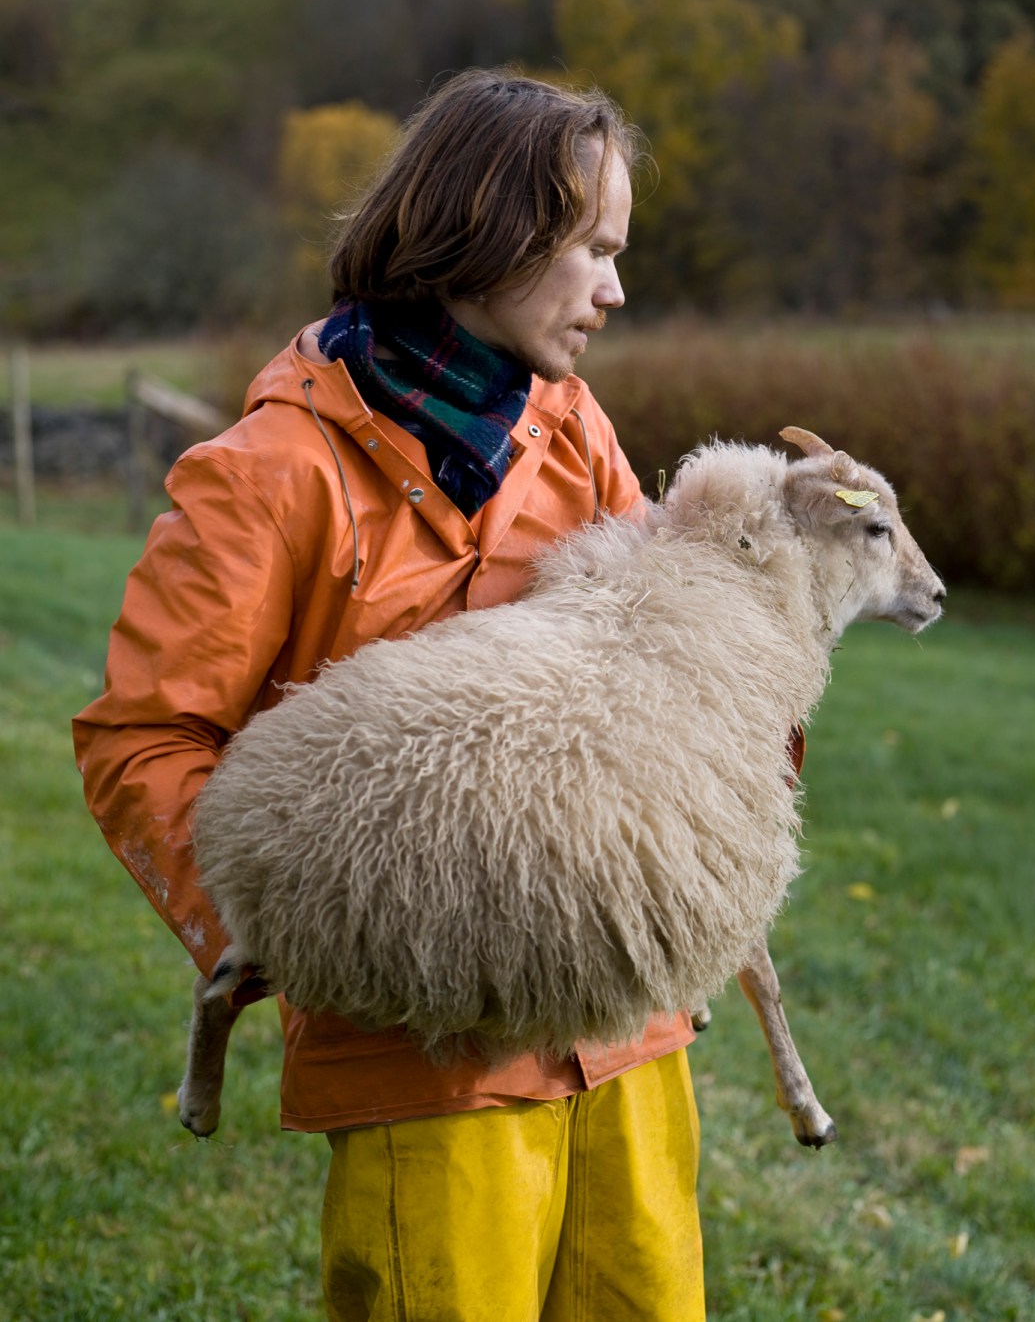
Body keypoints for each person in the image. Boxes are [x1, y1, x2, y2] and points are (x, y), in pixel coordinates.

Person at [73, 70, 705, 1322]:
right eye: (591, 249)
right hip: (422, 1052)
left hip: (628, 1030)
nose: (614, 289)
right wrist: (275, 921)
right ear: (491, 231)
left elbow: (664, 655)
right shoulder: (270, 473)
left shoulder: (574, 430)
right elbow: (145, 733)